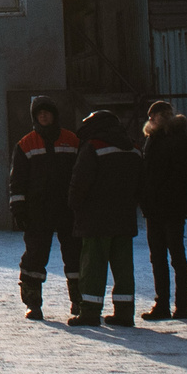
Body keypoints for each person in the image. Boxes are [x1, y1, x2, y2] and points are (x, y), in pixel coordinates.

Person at [66, 109, 144, 327]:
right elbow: (142, 183)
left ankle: (90, 313)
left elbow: (80, 180)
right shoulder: (134, 148)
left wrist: (73, 204)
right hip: (125, 218)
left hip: (96, 219)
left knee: (93, 266)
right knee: (123, 267)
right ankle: (125, 312)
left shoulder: (93, 146)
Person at [7, 96, 81, 320]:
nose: (43, 116)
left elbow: (83, 173)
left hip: (68, 210)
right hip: (37, 211)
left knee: (75, 257)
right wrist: (18, 209)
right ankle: (33, 304)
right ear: (34, 117)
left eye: (47, 112)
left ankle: (79, 303)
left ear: (54, 115)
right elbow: (17, 180)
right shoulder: (26, 144)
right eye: (39, 113)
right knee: (35, 258)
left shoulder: (72, 140)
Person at [139, 100, 187, 321]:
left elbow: (182, 174)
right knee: (162, 257)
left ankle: (177, 306)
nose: (155, 118)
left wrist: (154, 192)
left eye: (156, 114)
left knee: (172, 257)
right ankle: (166, 305)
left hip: (167, 207)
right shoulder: (154, 140)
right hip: (159, 207)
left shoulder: (172, 140)